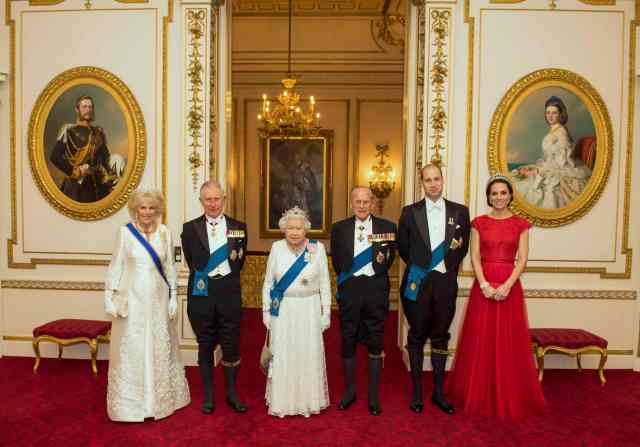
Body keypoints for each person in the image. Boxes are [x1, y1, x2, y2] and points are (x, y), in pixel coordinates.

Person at [446, 174, 546, 420]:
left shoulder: (521, 224)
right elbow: (475, 257)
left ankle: (508, 392)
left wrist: (508, 285)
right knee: (481, 337)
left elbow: (522, 259)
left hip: (509, 285)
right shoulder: (478, 223)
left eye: (503, 192)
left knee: (508, 340)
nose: (499, 197)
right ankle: (480, 391)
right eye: (494, 193)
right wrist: (484, 284)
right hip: (485, 286)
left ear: (510, 195)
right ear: (488, 197)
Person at [104, 188, 190, 422]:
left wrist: (173, 296)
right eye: (143, 207)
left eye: (152, 208)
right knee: (134, 347)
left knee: (158, 345)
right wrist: (108, 296)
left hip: (158, 297)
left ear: (158, 209)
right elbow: (116, 266)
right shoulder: (125, 233)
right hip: (132, 297)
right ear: (135, 209)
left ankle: (160, 401)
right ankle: (133, 405)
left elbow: (170, 268)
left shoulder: (165, 233)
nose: (147, 212)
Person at [397, 164, 470, 414]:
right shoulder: (409, 212)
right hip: (417, 282)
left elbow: (462, 248)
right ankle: (417, 393)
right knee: (416, 335)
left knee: (440, 336)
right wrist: (423, 267)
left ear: (443, 180)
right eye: (427, 180)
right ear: (422, 183)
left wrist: (444, 269)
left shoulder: (460, 212)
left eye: (436, 179)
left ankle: (438, 393)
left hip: (445, 284)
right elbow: (403, 248)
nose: (433, 184)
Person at [181, 181, 248, 414]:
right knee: (205, 344)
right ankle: (209, 396)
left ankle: (232, 393)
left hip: (229, 294)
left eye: (216, 198)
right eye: (207, 199)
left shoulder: (239, 227)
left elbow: (239, 261)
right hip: (202, 295)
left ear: (224, 199)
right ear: (201, 202)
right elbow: (192, 262)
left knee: (231, 346)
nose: (212, 203)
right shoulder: (189, 229)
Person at [330, 187, 396, 416]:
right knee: (347, 339)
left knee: (376, 342)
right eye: (357, 201)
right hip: (350, 291)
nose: (361, 205)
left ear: (372, 204)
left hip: (376, 290)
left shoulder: (388, 228)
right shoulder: (339, 229)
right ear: (350, 203)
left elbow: (388, 260)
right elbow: (337, 262)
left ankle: (373, 396)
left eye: (365, 201)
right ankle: (350, 392)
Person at [262, 207, 331, 417]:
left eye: (298, 228)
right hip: (283, 310)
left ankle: (308, 402)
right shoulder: (276, 248)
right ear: (284, 229)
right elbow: (268, 283)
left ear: (305, 229)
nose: (294, 232)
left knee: (307, 353)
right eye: (290, 228)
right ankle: (283, 402)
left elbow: (325, 283)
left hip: (309, 308)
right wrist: (266, 310)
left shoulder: (316, 248)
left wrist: (326, 312)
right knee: (284, 354)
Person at [512, 96, 592, 209]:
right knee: (518, 177)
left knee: (526, 188)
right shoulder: (554, 129)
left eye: (554, 113)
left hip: (557, 171)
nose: (550, 116)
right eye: (548, 112)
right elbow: (549, 157)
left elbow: (561, 163)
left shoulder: (561, 132)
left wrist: (539, 171)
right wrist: (537, 169)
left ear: (560, 114)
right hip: (549, 167)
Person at [49, 95, 117, 202]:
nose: (88, 110)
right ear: (77, 109)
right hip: (77, 186)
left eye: (90, 107)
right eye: (84, 107)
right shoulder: (69, 131)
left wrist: (111, 175)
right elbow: (55, 157)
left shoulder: (98, 133)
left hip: (98, 186)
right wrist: (75, 171)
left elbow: (105, 159)